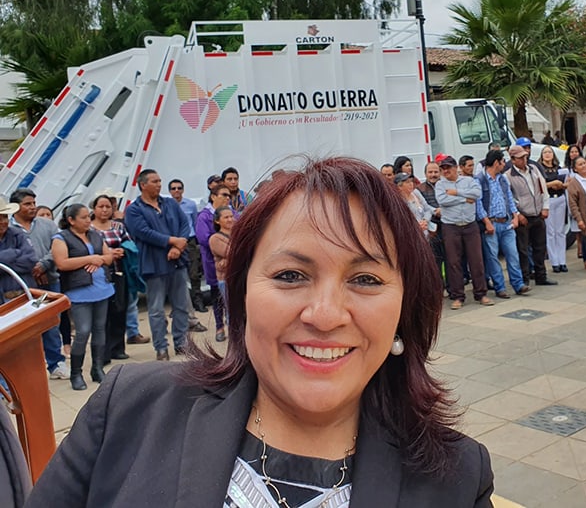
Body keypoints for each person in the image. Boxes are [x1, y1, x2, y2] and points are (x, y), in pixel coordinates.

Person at [27, 157, 494, 507]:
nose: (326, 314)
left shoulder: (456, 477)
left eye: (366, 279)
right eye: (291, 275)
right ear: (243, 294)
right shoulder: (129, 410)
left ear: (405, 308)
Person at [124, 169, 192, 361]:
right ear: (143, 185)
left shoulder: (169, 203)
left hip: (177, 261)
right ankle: (161, 347)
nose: (159, 184)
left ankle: (182, 343)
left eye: (160, 181)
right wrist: (172, 241)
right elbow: (143, 232)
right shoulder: (134, 209)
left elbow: (184, 225)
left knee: (181, 306)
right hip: (153, 264)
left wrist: (178, 247)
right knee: (156, 309)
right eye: (154, 181)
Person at [51, 204, 114, 390]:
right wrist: (90, 259)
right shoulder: (61, 238)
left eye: (89, 216)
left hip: (102, 289)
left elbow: (109, 256)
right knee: (83, 331)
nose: (88, 220)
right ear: (71, 220)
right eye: (84, 217)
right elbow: (62, 263)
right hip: (79, 292)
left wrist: (100, 259)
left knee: (100, 329)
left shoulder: (95, 234)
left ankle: (97, 368)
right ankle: (76, 373)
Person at [8, 189, 69, 380]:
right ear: (16, 206)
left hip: (48, 281)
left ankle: (56, 363)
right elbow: (18, 258)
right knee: (23, 326)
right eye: (27, 204)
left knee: (50, 323)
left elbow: (58, 247)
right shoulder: (9, 229)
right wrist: (29, 266)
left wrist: (43, 265)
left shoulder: (47, 224)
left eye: (34, 203)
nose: (32, 207)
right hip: (20, 285)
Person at [435, 156, 492, 309]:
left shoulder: (468, 180)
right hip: (451, 226)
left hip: (469, 225)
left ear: (455, 168)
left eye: (448, 167)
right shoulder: (440, 185)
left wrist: (456, 192)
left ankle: (481, 293)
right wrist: (464, 198)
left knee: (476, 260)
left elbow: (477, 194)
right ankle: (458, 296)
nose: (445, 171)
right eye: (443, 168)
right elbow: (442, 201)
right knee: (453, 262)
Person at [476, 149, 528, 297]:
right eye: (503, 161)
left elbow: (509, 198)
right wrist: (486, 222)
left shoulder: (502, 179)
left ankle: (518, 284)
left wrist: (515, 215)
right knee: (492, 257)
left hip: (506, 222)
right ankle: (500, 287)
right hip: (491, 223)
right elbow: (478, 204)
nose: (505, 164)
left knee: (513, 254)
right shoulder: (480, 179)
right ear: (496, 163)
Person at [90, 194, 133, 363]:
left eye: (108, 206)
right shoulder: (90, 229)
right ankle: (103, 352)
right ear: (94, 209)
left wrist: (123, 251)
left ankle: (118, 348)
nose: (105, 210)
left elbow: (129, 243)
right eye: (101, 206)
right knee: (102, 314)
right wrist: (107, 254)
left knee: (120, 309)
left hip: (119, 271)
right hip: (99, 275)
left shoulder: (118, 226)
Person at [505, 145, 557, 287]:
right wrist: (517, 213)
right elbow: (509, 198)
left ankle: (541, 276)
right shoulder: (508, 176)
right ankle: (524, 277)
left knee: (540, 247)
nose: (524, 159)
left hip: (538, 214)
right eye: (521, 157)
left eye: (525, 156)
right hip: (523, 216)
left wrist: (545, 207)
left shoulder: (534, 170)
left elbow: (543, 189)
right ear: (513, 159)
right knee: (522, 249)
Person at [197, 185, 231, 340]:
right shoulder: (204, 216)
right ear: (213, 196)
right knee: (217, 297)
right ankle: (219, 327)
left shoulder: (232, 212)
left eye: (229, 195)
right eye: (224, 194)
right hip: (213, 265)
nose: (227, 198)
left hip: (231, 269)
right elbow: (204, 238)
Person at [169, 179, 207, 312]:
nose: (176, 191)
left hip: (189, 241)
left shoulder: (190, 204)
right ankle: (177, 307)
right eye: (173, 188)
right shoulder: (166, 206)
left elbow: (195, 222)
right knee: (176, 275)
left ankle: (198, 302)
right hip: (174, 242)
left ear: (183, 190)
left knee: (194, 273)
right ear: (169, 191)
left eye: (179, 188)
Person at [539, 146, 568, 273]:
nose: (547, 154)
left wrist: (562, 184)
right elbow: (539, 184)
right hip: (548, 200)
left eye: (549, 152)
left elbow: (567, 182)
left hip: (560, 198)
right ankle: (554, 261)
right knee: (550, 232)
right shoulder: (540, 169)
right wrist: (553, 183)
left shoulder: (559, 169)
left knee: (560, 231)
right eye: (545, 152)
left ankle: (562, 261)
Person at [208, 206, 234, 342]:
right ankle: (234, 342)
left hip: (240, 277)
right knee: (232, 310)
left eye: (231, 216)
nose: (230, 219)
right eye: (226, 217)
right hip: (227, 279)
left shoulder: (237, 234)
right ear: (218, 221)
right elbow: (233, 253)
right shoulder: (215, 238)